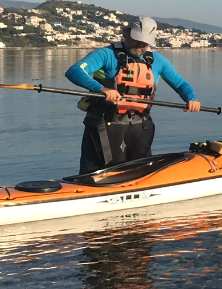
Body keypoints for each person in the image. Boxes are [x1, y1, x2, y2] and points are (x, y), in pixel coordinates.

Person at [65, 16, 200, 174]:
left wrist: (191, 98)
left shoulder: (158, 61)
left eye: (146, 42)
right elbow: (74, 71)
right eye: (138, 39)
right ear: (126, 33)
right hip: (104, 125)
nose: (141, 45)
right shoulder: (106, 54)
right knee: (93, 174)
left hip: (139, 127)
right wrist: (101, 89)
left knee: (140, 173)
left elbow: (181, 84)